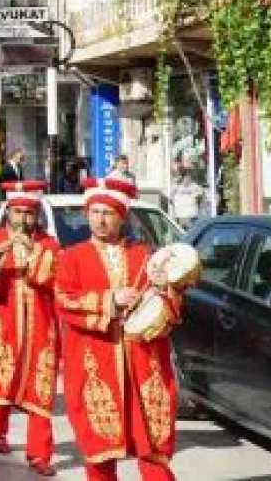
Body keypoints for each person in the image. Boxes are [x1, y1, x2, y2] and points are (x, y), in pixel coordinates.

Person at [55, 177, 179, 481]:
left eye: (108, 213)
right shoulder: (72, 257)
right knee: (99, 449)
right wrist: (111, 299)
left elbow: (170, 307)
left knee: (152, 446)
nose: (100, 220)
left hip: (143, 361)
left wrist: (167, 289)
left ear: (122, 217)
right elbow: (64, 300)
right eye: (95, 212)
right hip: (94, 360)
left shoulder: (144, 257)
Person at [0, 181, 61, 476]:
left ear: (37, 215)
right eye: (17, 213)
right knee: (0, 379)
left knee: (41, 389)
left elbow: (58, 278)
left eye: (28, 214)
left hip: (41, 327)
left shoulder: (49, 245)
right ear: (8, 213)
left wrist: (34, 255)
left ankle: (39, 454)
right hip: (0, 323)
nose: (22, 220)